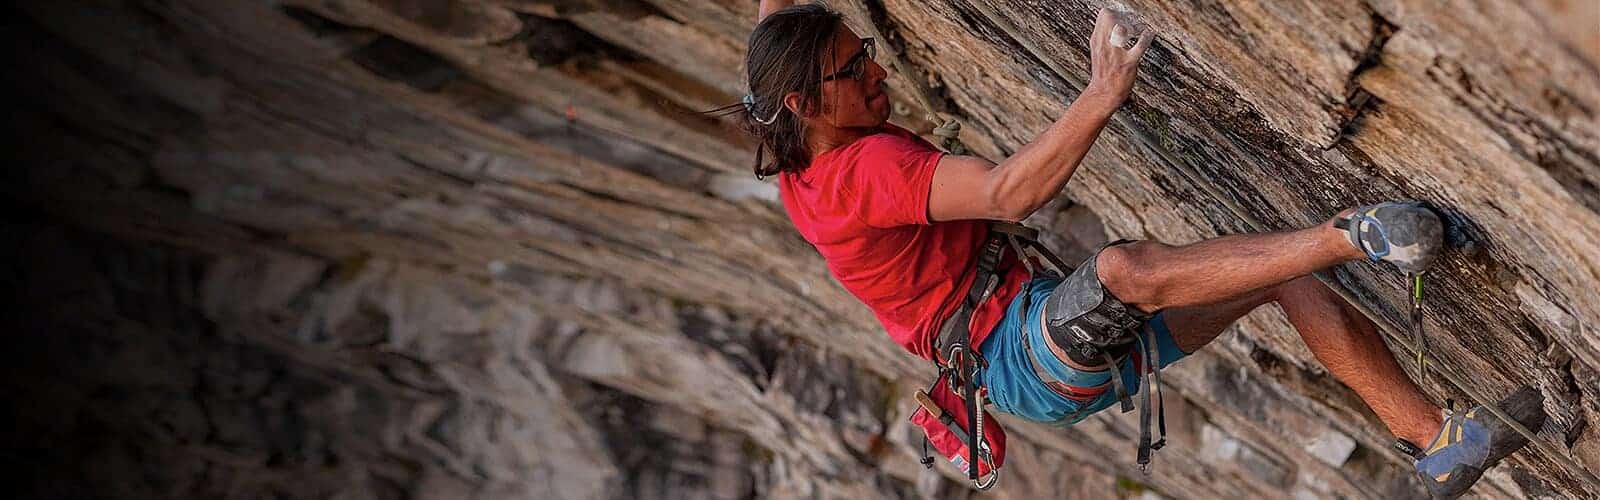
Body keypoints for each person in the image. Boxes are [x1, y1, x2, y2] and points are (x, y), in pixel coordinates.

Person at [738, 2, 1543, 497]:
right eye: (855, 66)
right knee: (1122, 271)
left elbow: (777, 24)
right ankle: (1355, 234)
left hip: (1027, 342)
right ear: (809, 102)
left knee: (1281, 280)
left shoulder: (794, 133)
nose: (875, 70)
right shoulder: (864, 173)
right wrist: (1103, 92)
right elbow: (1009, 193)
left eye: (867, 49)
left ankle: (1438, 442)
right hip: (1015, 354)